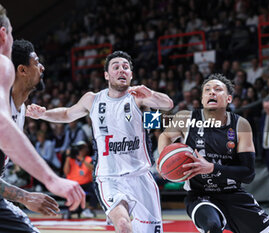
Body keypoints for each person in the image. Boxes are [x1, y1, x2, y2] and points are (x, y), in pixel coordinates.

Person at [26, 51, 174, 233]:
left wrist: (151, 94)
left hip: (141, 176)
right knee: (123, 224)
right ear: (106, 75)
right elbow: (67, 114)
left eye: (126, 67)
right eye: (116, 67)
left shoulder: (138, 97)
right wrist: (44, 114)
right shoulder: (93, 99)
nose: (122, 70)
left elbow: (168, 104)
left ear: (131, 74)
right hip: (109, 178)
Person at [0, 10, 85, 231]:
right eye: (36, 62)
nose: (42, 67)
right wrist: (27, 196)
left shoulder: (21, 110)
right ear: (22, 70)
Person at [158, 73, 269, 233]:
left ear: (229, 99)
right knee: (212, 226)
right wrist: (162, 160)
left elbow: (248, 174)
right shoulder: (185, 118)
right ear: (202, 98)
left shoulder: (241, 125)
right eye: (207, 90)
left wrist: (212, 168)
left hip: (233, 193)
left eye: (218, 89)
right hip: (200, 195)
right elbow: (165, 135)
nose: (211, 92)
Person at [63, 141, 98, 218]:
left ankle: (88, 209)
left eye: (82, 149)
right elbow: (66, 172)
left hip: (86, 184)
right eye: (79, 149)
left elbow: (92, 168)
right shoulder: (71, 159)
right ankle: (71, 210)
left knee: (96, 189)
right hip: (73, 184)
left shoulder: (88, 159)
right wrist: (68, 157)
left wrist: (82, 159)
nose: (80, 151)